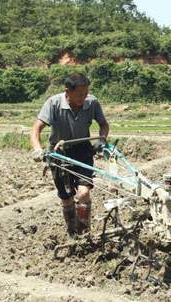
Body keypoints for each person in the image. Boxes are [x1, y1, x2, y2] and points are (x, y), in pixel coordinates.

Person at [30, 73, 109, 236]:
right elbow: (36, 129)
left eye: (86, 93)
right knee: (66, 197)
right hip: (59, 154)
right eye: (80, 94)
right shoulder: (53, 103)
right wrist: (37, 149)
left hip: (83, 151)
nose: (84, 97)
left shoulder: (92, 102)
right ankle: (72, 232)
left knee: (84, 192)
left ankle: (84, 231)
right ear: (67, 91)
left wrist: (102, 141)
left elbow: (103, 124)